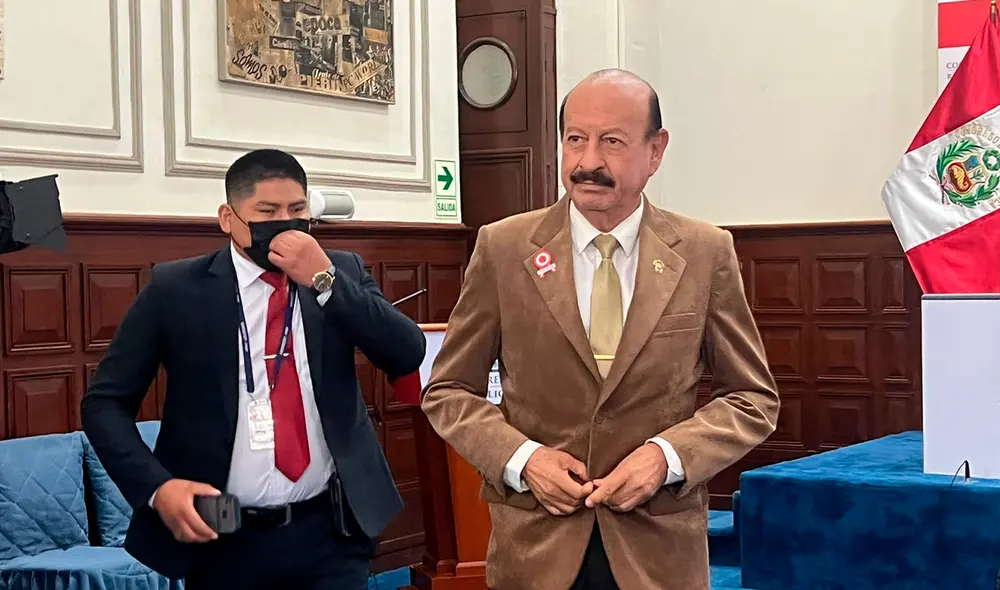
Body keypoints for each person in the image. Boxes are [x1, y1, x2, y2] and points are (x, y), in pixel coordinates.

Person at [421, 69, 780, 589]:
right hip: (536, 549)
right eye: (575, 140)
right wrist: (524, 460)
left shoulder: (705, 253)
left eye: (611, 142)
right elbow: (449, 390)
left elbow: (751, 398)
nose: (589, 162)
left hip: (658, 551)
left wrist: (667, 458)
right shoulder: (503, 248)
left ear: (656, 151)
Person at [81, 149, 426, 589]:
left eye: (297, 210)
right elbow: (105, 403)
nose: (285, 224)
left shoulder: (339, 272)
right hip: (223, 532)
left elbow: (405, 351)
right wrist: (157, 489)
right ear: (229, 218)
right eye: (267, 212)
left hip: (330, 529)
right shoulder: (176, 290)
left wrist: (324, 281)